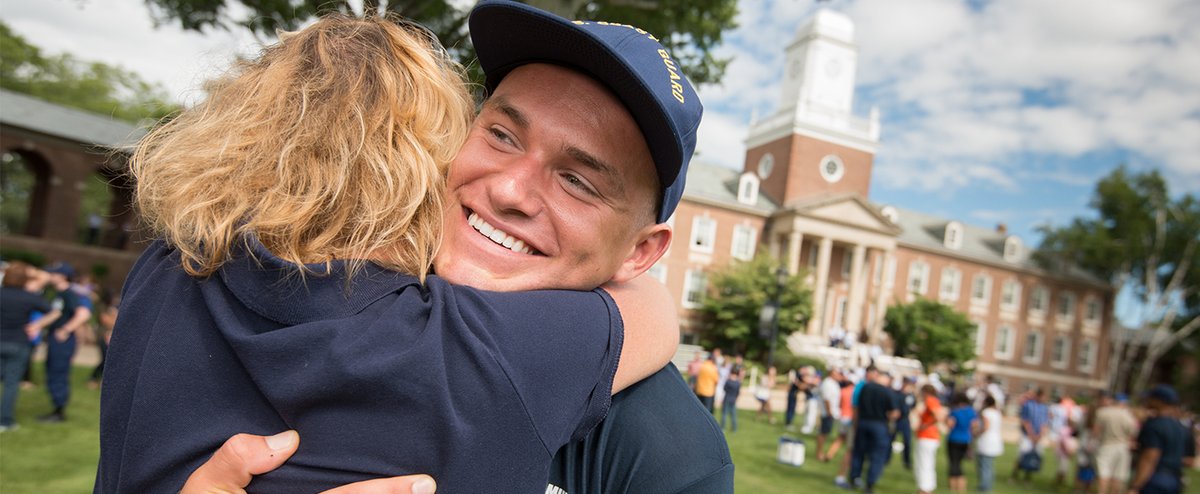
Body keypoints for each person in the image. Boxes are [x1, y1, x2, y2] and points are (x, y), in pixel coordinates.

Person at [97, 7, 704, 493]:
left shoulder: (169, 264)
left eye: (580, 180)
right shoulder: (476, 355)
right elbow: (648, 316)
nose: (510, 190)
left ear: (641, 252)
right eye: (499, 134)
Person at [0, 262, 57, 432]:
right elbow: (55, 312)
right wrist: (37, 325)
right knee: (11, 383)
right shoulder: (29, 297)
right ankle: (5, 421)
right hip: (18, 343)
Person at [38, 262, 91, 423]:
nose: (51, 276)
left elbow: (83, 314)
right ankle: (56, 408)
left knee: (58, 371)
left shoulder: (70, 293)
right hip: (56, 338)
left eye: (54, 274)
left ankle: (59, 411)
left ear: (62, 276)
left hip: (63, 340)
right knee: (53, 370)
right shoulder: (60, 293)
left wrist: (66, 329)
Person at [1129, 385, 1196, 494]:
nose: (1148, 400)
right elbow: (1189, 460)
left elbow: (1150, 457)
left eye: (1151, 398)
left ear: (1159, 401)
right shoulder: (1183, 428)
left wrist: (1135, 486)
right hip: (1175, 479)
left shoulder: (1154, 425)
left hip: (1155, 478)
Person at [847, 365, 898, 494]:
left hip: (863, 423)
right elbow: (894, 413)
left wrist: (855, 422)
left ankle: (854, 478)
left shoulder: (865, 387)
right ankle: (869, 484)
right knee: (877, 456)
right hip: (879, 425)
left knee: (859, 452)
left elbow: (857, 406)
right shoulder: (887, 392)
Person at [1095, 392, 1137, 494]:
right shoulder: (1128, 415)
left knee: (1104, 475)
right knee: (1118, 477)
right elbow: (1133, 433)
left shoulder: (1103, 412)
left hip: (1106, 445)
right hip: (1123, 447)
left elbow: (1096, 431)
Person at [1013, 388, 1050, 485]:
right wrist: (1031, 435)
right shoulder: (1028, 405)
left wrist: (1039, 436)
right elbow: (1025, 421)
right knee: (1022, 456)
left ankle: (1027, 478)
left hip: (1038, 437)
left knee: (1033, 457)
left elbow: (1044, 423)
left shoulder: (1044, 408)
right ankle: (1014, 475)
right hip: (1027, 436)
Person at [914, 383, 945, 494]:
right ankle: (927, 488)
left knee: (923, 465)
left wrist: (925, 425)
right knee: (928, 464)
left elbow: (937, 416)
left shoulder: (930, 400)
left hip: (926, 436)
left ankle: (924, 489)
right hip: (931, 437)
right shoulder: (935, 401)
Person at [945, 392, 978, 493]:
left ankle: (953, 486)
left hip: (954, 439)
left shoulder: (955, 411)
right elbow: (974, 426)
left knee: (953, 463)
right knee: (959, 463)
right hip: (965, 440)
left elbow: (950, 424)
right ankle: (962, 487)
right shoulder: (971, 411)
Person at [976, 395, 1004, 493]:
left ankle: (984, 487)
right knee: (990, 466)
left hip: (987, 441)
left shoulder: (986, 412)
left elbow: (986, 426)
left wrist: (977, 433)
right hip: (995, 441)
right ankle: (988, 485)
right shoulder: (997, 413)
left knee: (984, 465)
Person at [887, 377, 916, 470]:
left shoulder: (911, 396)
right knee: (891, 439)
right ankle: (886, 458)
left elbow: (913, 406)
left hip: (905, 420)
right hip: (897, 420)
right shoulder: (897, 394)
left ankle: (906, 461)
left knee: (907, 441)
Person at [817, 368, 844, 462]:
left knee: (827, 433)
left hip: (834, 412)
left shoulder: (834, 383)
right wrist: (829, 412)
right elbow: (826, 399)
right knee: (823, 433)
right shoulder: (827, 383)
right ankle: (819, 453)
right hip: (828, 412)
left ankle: (826, 453)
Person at [720, 355, 744, 432]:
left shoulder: (728, 381)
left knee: (724, 414)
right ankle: (734, 428)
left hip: (727, 398)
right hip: (733, 399)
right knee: (733, 415)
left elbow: (724, 389)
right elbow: (738, 392)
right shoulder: (738, 383)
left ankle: (723, 427)